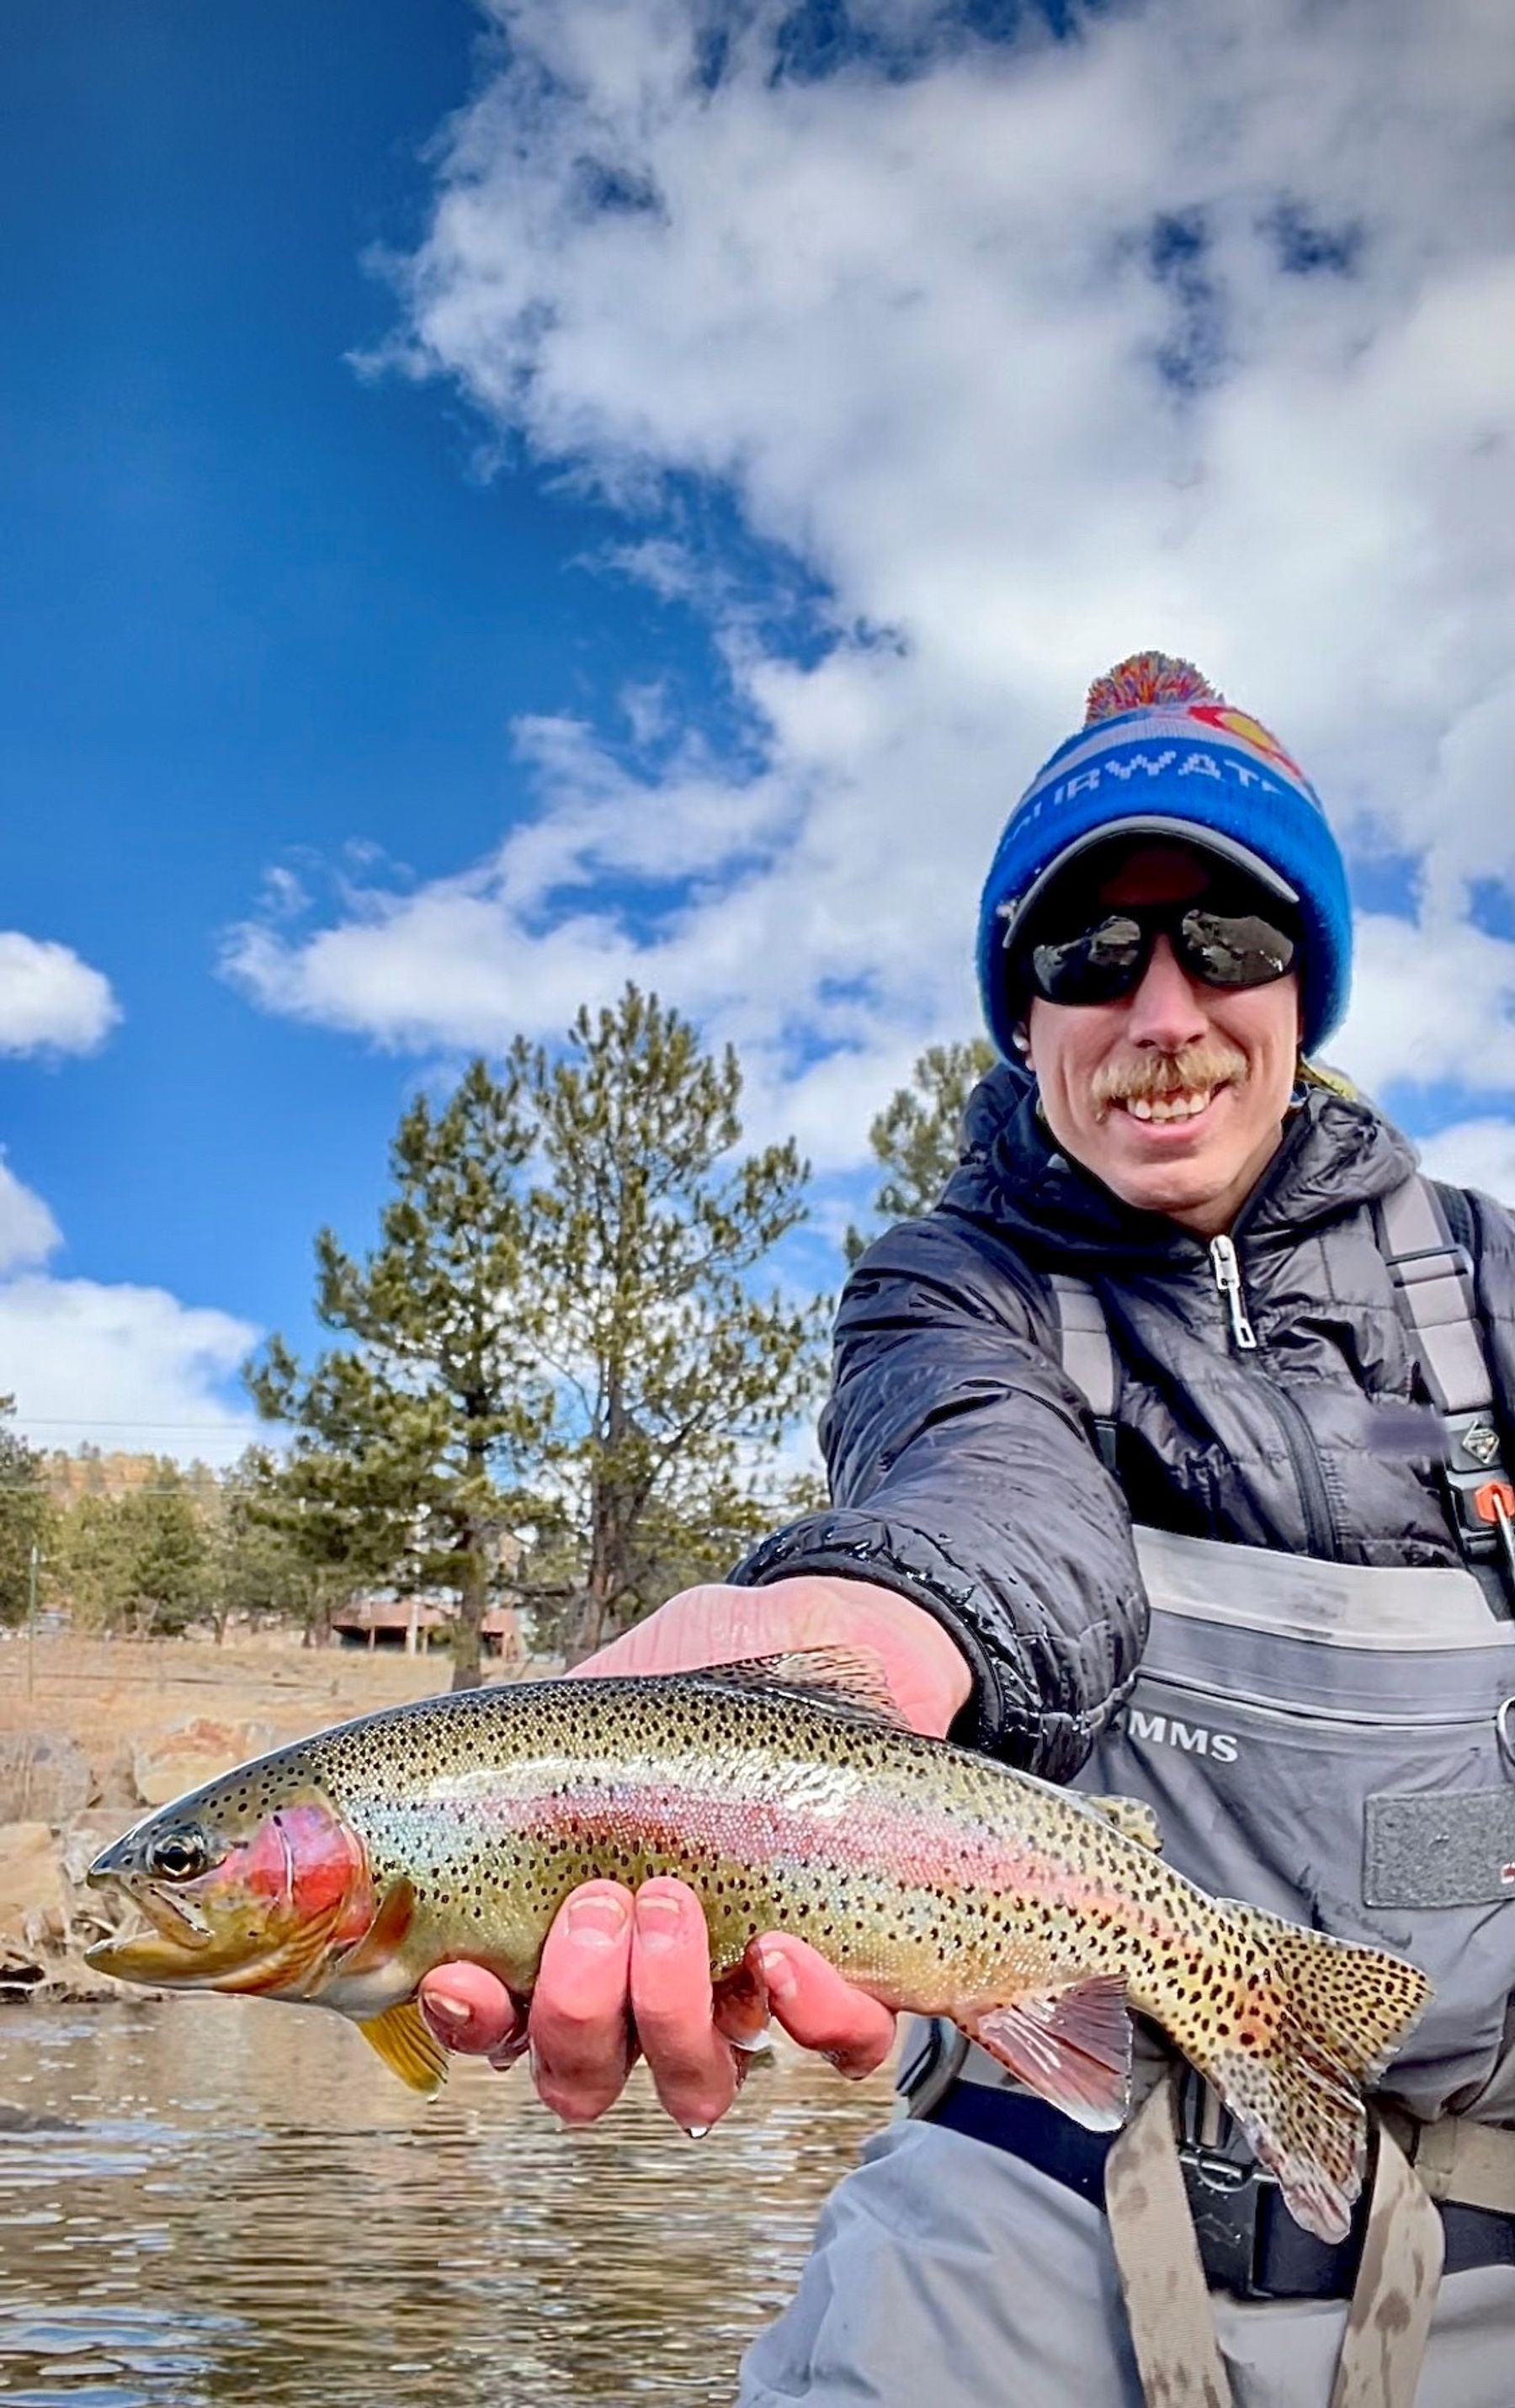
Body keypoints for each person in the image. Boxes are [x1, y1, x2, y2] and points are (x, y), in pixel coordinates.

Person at [418, 654, 1515, 2406]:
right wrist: (866, 1631)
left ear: (1305, 984)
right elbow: (991, 1499)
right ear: (1024, 1014)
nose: (1164, 1010)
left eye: (1225, 939)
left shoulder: (1485, 1291)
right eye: (1091, 953)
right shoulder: (952, 1290)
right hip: (1032, 2201)